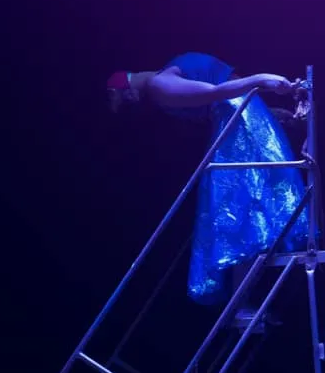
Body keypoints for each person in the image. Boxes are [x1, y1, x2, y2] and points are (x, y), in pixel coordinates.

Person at [106, 52, 308, 305]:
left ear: (130, 93)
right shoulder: (166, 77)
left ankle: (245, 300)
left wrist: (261, 79)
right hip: (240, 113)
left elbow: (218, 92)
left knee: (238, 207)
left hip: (236, 119)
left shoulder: (160, 85)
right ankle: (248, 300)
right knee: (246, 205)